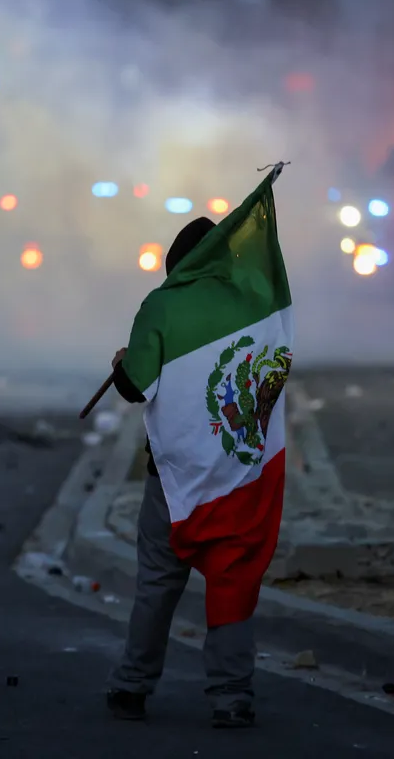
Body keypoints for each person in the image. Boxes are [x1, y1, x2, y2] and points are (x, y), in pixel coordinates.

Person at [104, 215, 259, 729]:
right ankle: (232, 697)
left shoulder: (162, 305)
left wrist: (123, 363)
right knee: (230, 582)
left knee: (157, 584)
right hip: (236, 476)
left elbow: (134, 387)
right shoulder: (253, 307)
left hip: (173, 478)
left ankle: (132, 686)